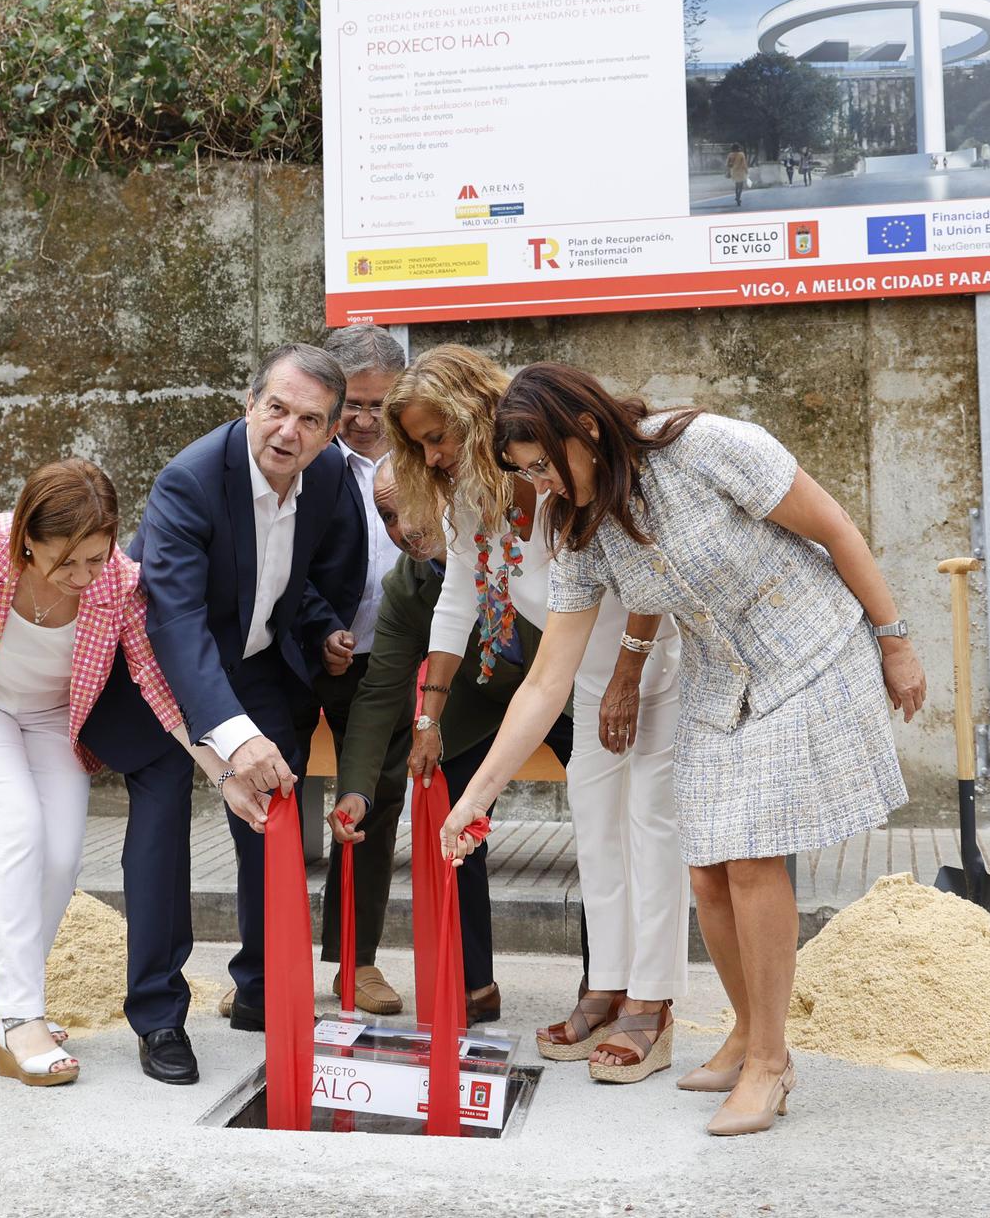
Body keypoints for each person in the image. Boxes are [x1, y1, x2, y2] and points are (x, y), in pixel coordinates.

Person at [441, 364, 926, 1136]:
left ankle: (770, 1061)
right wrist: (475, 796)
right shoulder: (579, 528)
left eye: (542, 463)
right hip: (717, 675)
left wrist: (894, 640)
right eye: (525, 471)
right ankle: (748, 1029)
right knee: (706, 867)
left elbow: (834, 527)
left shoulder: (706, 446)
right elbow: (545, 681)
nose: (540, 484)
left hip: (805, 647)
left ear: (587, 429)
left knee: (752, 855)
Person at [0, 459, 235, 1088]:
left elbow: (154, 683)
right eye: (65, 562)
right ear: (25, 539)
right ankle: (20, 1018)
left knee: (62, 854)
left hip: (51, 715)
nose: (82, 577)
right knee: (17, 826)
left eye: (95, 558)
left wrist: (218, 768)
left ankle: (9, 1000)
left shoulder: (119, 582)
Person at [387, 345, 688, 1086]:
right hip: (583, 678)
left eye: (441, 435)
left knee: (651, 827)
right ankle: (606, 987)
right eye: (421, 443)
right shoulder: (473, 500)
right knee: (595, 827)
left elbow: (649, 572)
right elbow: (460, 600)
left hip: (658, 665)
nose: (434, 454)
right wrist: (430, 712)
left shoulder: (571, 485)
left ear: (479, 414)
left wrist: (627, 671)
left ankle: (653, 1005)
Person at [97, 343, 363, 1039]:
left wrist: (324, 629)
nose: (288, 431)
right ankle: (158, 1016)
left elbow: (312, 573)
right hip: (157, 667)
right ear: (249, 404)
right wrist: (233, 738)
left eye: (310, 420)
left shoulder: (330, 474)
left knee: (274, 802)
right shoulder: (188, 480)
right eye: (276, 408)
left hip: (252, 661)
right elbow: (176, 622)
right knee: (162, 830)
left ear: (332, 433)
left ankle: (264, 991)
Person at [325, 458, 577, 1023]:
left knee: (600, 809)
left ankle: (602, 986)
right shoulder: (407, 587)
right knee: (447, 805)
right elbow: (378, 694)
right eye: (387, 516)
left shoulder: (522, 540)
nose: (403, 528)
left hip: (570, 688)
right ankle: (471, 982)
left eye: (411, 506)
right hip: (480, 704)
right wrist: (356, 793)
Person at [295, 325, 410, 1015]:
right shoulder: (302, 456)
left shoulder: (421, 458)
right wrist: (319, 628)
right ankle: (265, 961)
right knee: (268, 798)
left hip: (386, 663)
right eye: (354, 405)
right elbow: (279, 561)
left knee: (372, 803)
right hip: (306, 656)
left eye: (379, 405)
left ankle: (356, 960)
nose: (364, 420)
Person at [724, 143, 750, 208]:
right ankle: (738, 197)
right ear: (738, 148)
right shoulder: (741, 154)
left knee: (736, 185)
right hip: (741, 171)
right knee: (741, 186)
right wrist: (746, 171)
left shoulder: (730, 155)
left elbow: (727, 164)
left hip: (734, 171)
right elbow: (744, 164)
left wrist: (728, 170)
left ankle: (736, 196)